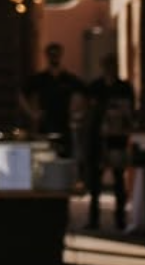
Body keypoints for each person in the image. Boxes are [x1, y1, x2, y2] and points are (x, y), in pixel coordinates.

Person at [83, 53, 136, 231]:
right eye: (107, 65)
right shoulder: (95, 87)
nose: (110, 68)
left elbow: (130, 113)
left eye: (112, 65)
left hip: (116, 140)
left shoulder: (124, 88)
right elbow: (87, 110)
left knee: (119, 179)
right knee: (95, 182)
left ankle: (120, 220)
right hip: (97, 139)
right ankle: (93, 219)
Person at [19, 41, 86, 158]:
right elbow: (22, 94)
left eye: (56, 54)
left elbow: (85, 94)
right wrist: (32, 114)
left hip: (64, 124)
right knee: (44, 157)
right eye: (51, 54)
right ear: (47, 56)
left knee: (64, 158)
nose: (54, 57)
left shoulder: (68, 78)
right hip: (45, 124)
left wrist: (78, 113)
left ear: (60, 55)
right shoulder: (41, 79)